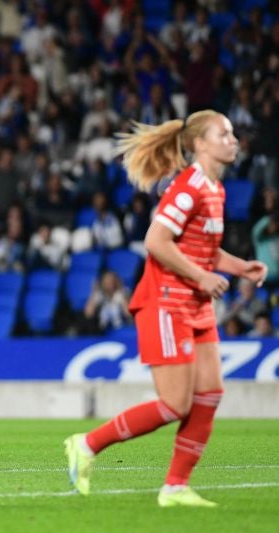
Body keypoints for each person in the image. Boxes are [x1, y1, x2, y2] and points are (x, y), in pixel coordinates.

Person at [65, 110, 268, 507]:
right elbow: (157, 241)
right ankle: (87, 444)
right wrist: (204, 276)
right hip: (166, 303)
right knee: (175, 404)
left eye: (232, 133)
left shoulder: (216, 189)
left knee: (209, 394)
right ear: (199, 144)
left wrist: (239, 266)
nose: (233, 140)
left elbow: (204, 250)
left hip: (194, 302)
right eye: (223, 134)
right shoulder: (189, 186)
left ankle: (175, 486)